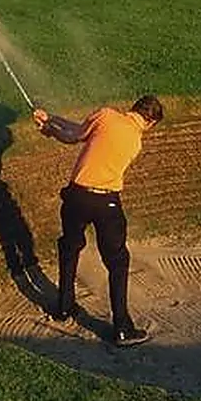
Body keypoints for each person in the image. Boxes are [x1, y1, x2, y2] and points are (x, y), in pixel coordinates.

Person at [32, 94, 164, 347]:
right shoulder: (136, 141)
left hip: (76, 197)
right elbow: (80, 133)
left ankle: (64, 307)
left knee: (69, 248)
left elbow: (75, 135)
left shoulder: (106, 115)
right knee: (117, 261)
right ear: (150, 122)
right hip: (107, 203)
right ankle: (122, 328)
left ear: (133, 108)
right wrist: (52, 121)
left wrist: (50, 126)